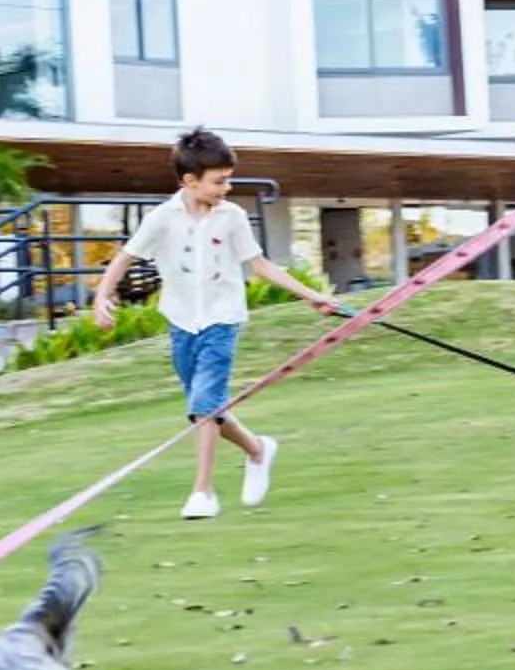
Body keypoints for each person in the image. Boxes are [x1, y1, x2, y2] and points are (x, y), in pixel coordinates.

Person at [92, 129, 339, 520]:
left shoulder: (233, 217)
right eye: (219, 180)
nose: (227, 187)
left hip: (222, 320)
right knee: (205, 407)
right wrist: (101, 296)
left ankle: (203, 492)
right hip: (181, 322)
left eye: (229, 178)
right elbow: (124, 257)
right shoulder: (162, 218)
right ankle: (257, 450)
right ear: (190, 181)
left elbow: (260, 266)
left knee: (204, 404)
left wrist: (312, 296)